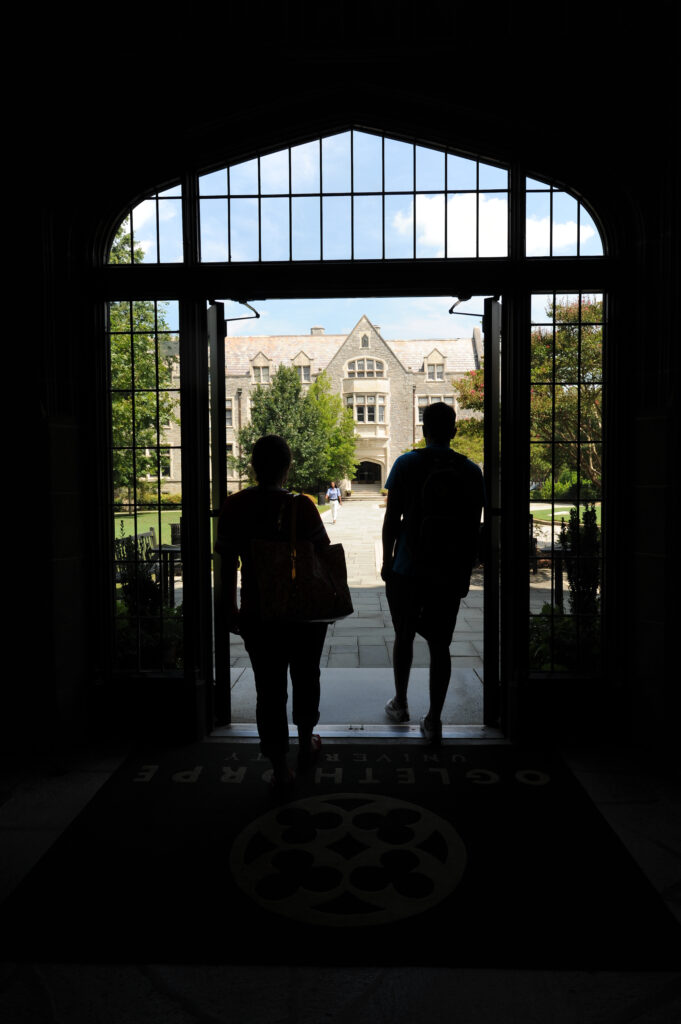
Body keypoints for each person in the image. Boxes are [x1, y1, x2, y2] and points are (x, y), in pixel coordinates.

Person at [215, 435, 330, 788]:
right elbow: (323, 554)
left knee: (269, 688)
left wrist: (230, 607)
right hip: (302, 614)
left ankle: (280, 766)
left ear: (252, 465)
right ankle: (306, 740)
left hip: (258, 611)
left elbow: (226, 563)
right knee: (306, 677)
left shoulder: (235, 506)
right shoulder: (303, 506)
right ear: (287, 466)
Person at [381, 402, 484, 743]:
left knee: (404, 636)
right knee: (441, 645)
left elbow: (391, 519)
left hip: (408, 567)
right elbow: (473, 527)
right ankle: (435, 719)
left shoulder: (407, 464)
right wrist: (466, 570)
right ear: (454, 431)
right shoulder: (470, 471)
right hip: (447, 570)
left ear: (423, 430)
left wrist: (386, 560)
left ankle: (400, 702)